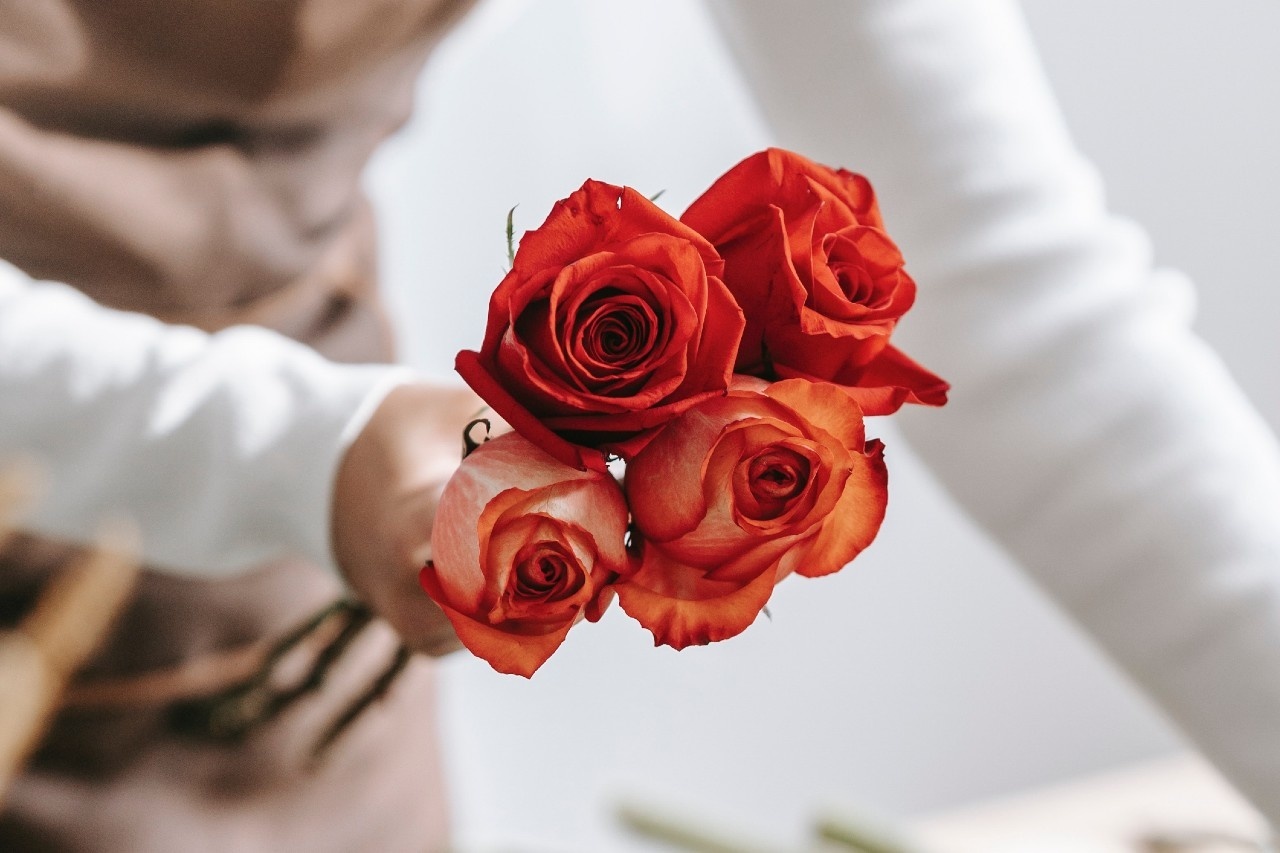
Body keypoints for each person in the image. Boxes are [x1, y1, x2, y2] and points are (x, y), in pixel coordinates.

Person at [2, 1, 1279, 850]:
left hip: (278, 629)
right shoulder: (305, 446)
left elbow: (1001, 276)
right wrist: (295, 453)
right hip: (286, 461)